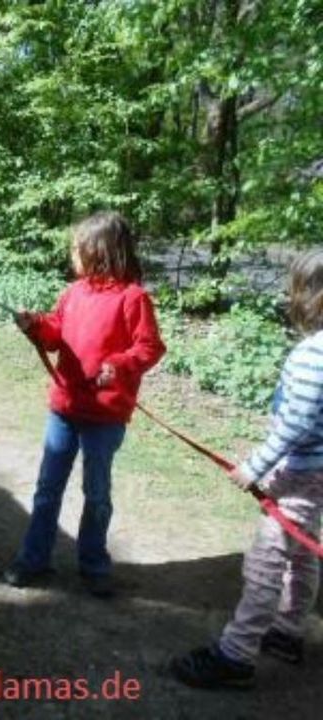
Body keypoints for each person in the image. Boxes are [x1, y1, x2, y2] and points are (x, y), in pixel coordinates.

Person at [171, 249, 323, 689]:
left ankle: (236, 655)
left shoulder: (313, 354)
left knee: (266, 562)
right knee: (302, 550)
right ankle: (288, 631)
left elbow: (298, 422)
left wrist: (255, 467)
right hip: (315, 475)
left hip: (298, 473)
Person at [2, 212, 166, 598]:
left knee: (96, 493)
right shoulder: (74, 292)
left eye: (76, 248)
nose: (71, 254)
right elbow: (55, 332)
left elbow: (149, 347)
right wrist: (34, 325)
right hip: (65, 409)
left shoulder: (133, 298)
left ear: (99, 251)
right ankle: (34, 558)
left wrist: (120, 365)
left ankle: (93, 564)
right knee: (47, 488)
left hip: (105, 416)